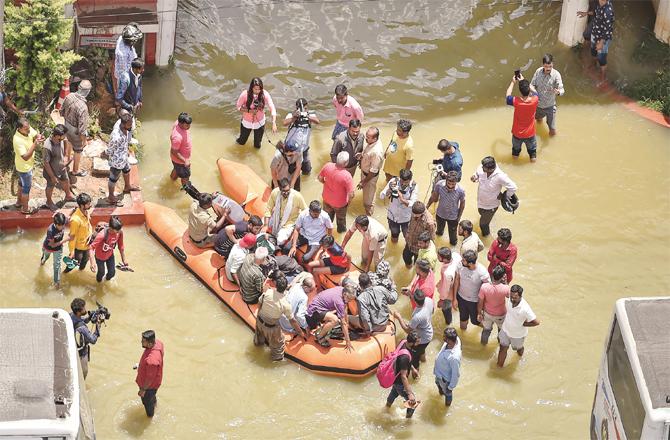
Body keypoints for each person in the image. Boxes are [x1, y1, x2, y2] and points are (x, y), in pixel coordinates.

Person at [255, 274, 307, 361]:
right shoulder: (285, 304)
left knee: (259, 339)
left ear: (275, 285)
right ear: (286, 287)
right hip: (271, 327)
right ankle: (276, 362)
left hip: (260, 320)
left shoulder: (268, 292)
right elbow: (292, 321)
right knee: (278, 347)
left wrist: (258, 315)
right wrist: (301, 333)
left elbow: (259, 303)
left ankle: (258, 347)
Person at [470, 156, 517, 237]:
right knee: (481, 214)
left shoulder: (500, 176)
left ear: (490, 169)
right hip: (480, 201)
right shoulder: (481, 168)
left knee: (483, 225)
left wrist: (504, 196)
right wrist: (475, 177)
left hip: (492, 205)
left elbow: (513, 187)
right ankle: (490, 220)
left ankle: (486, 238)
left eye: (483, 167)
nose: (481, 168)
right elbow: (477, 174)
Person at [497, 285, 540, 367]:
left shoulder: (525, 308)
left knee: (518, 349)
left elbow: (536, 322)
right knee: (502, 348)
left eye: (515, 297)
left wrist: (524, 324)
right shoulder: (510, 299)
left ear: (520, 296)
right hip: (505, 330)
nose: (512, 299)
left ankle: (520, 356)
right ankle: (499, 368)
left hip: (518, 335)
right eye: (511, 296)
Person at [305, 284, 356, 349]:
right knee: (335, 319)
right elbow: (343, 323)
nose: (350, 301)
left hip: (319, 305)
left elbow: (345, 309)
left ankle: (324, 328)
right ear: (345, 294)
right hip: (314, 311)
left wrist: (347, 324)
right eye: (349, 299)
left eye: (351, 300)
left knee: (338, 319)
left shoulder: (342, 289)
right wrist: (348, 341)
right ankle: (319, 337)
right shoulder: (339, 301)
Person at [393, 289, 434, 370]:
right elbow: (432, 311)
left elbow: (407, 330)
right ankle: (424, 362)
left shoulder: (417, 316)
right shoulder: (429, 300)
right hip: (429, 334)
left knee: (415, 360)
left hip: (421, 339)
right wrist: (411, 296)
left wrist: (399, 318)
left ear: (415, 300)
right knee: (421, 351)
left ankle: (416, 377)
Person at [60, 79, 91, 179]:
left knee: (68, 141)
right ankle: (75, 171)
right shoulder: (83, 107)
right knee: (78, 150)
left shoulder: (69, 96)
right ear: (87, 92)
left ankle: (67, 158)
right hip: (75, 131)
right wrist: (84, 141)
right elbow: (82, 129)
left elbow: (61, 111)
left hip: (66, 125)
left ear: (78, 88)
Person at [107, 112, 139, 206]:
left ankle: (127, 186)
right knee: (113, 178)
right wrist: (106, 155)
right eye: (129, 124)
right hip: (117, 161)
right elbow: (110, 149)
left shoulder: (126, 128)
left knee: (127, 170)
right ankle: (111, 197)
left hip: (124, 157)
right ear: (123, 123)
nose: (131, 125)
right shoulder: (116, 136)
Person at [385, 332, 420, 418]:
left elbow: (405, 362)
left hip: (395, 378)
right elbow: (403, 376)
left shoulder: (403, 342)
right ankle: (408, 420)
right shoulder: (405, 357)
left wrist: (412, 368)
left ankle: (386, 408)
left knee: (394, 393)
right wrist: (410, 394)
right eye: (417, 342)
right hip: (400, 382)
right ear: (411, 343)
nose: (418, 344)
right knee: (413, 403)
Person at [13, 118, 44, 215]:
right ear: (19, 129)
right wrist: (35, 144)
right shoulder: (17, 140)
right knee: (26, 188)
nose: (29, 130)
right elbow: (25, 157)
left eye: (28, 127)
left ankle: (18, 203)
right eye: (26, 129)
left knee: (21, 184)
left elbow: (35, 134)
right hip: (24, 167)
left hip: (24, 165)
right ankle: (25, 209)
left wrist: (39, 137)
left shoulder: (28, 129)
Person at [454, 250, 491, 330]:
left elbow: (488, 289)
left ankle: (488, 328)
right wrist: (454, 299)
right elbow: (456, 280)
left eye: (463, 260)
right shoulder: (460, 265)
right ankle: (463, 338)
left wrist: (484, 306)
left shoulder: (482, 272)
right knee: (463, 320)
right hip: (461, 298)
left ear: (470, 263)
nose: (461, 261)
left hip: (474, 302)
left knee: (475, 321)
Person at [318, 151, 355, 233]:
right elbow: (351, 194)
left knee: (327, 220)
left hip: (326, 199)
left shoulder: (327, 166)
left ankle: (326, 234)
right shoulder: (347, 176)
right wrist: (348, 202)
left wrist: (325, 184)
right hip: (340, 204)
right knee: (341, 221)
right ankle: (340, 234)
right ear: (346, 163)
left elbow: (320, 178)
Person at [579, 0, 614, 84]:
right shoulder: (599, 4)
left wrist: (601, 42)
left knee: (602, 59)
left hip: (603, 38)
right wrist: (586, 13)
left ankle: (603, 76)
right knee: (593, 52)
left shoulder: (608, 10)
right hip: (595, 33)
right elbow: (596, 12)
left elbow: (608, 29)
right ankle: (594, 65)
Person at [235, 77, 277, 149]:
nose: (257, 91)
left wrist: (274, 123)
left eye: (259, 89)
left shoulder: (265, 94)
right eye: (255, 89)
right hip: (246, 122)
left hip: (259, 123)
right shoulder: (245, 94)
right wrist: (250, 111)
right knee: (242, 141)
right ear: (251, 88)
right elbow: (238, 107)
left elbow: (272, 107)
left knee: (257, 145)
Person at [264, 178, 307, 247]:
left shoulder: (297, 196)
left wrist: (297, 229)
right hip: (276, 217)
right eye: (284, 191)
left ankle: (273, 244)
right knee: (261, 225)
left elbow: (305, 212)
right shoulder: (275, 192)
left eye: (288, 190)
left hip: (289, 223)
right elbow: (268, 208)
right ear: (279, 189)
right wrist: (266, 225)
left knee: (280, 240)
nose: (286, 193)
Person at [379, 168, 417, 244]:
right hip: (393, 216)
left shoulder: (413, 186)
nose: (403, 183)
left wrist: (401, 197)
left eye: (405, 182)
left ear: (410, 180)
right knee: (394, 236)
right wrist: (389, 189)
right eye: (401, 181)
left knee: (408, 238)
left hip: (406, 218)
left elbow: (413, 203)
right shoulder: (393, 182)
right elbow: (381, 196)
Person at [428, 170, 465, 246]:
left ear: (456, 182)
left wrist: (459, 217)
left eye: (453, 184)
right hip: (440, 214)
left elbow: (462, 204)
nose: (450, 186)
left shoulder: (461, 190)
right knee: (439, 232)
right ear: (446, 180)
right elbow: (434, 197)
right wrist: (426, 207)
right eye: (449, 183)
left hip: (453, 217)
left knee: (453, 239)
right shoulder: (439, 185)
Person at [506, 76, 539, 162]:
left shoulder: (516, 101)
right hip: (530, 134)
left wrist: (513, 82)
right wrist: (523, 80)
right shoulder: (535, 100)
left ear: (520, 91)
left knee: (515, 153)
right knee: (533, 155)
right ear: (528, 89)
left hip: (517, 134)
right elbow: (535, 91)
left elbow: (508, 95)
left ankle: (514, 166)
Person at [530, 54, 565, 136]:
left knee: (552, 130)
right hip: (538, 105)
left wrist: (558, 92)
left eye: (550, 66)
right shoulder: (538, 71)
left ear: (553, 64)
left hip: (550, 107)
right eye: (546, 66)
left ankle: (553, 144)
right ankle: (540, 126)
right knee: (538, 120)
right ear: (542, 65)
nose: (548, 68)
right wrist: (533, 92)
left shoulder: (556, 75)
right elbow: (532, 85)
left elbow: (562, 89)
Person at [283, 98, 320, 175]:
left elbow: (317, 121)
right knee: (290, 171)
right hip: (292, 149)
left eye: (306, 108)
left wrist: (307, 116)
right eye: (302, 109)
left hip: (304, 149)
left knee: (307, 170)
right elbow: (284, 123)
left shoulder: (310, 115)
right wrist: (294, 117)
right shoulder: (291, 115)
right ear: (297, 108)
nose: (304, 110)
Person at [42, 124, 75, 210]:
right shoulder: (47, 146)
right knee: (50, 186)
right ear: (56, 136)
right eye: (63, 136)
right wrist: (52, 176)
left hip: (61, 167)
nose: (64, 137)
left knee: (66, 180)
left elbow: (66, 141)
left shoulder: (61, 139)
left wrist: (66, 156)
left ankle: (68, 195)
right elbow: (46, 163)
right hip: (51, 171)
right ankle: (49, 202)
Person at [89, 215, 128, 283]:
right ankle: (98, 284)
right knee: (101, 273)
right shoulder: (102, 235)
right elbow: (91, 248)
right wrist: (92, 262)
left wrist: (124, 260)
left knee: (112, 273)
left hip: (110, 256)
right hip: (99, 257)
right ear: (111, 228)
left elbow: (120, 246)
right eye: (117, 231)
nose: (119, 232)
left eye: (119, 230)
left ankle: (106, 282)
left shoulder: (119, 232)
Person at [70, 298, 102, 379]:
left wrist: (90, 317)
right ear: (78, 312)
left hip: (73, 348)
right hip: (81, 354)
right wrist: (98, 325)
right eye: (84, 308)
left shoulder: (70, 315)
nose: (85, 309)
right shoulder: (82, 328)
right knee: (83, 373)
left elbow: (81, 320)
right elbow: (93, 340)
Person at [478, 265, 510, 345]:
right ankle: (499, 345)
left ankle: (483, 346)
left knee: (486, 331)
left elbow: (480, 302)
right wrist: (505, 282)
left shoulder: (484, 287)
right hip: (500, 315)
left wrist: (479, 313)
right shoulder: (505, 288)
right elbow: (509, 296)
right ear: (502, 276)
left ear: (492, 274)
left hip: (487, 314)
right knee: (501, 331)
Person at [136, 330, 164, 417]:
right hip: (154, 382)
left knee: (148, 404)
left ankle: (150, 417)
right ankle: (154, 403)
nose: (141, 342)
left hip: (148, 388)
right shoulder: (159, 343)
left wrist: (143, 390)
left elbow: (150, 379)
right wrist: (141, 366)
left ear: (150, 343)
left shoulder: (152, 361)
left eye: (143, 341)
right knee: (152, 398)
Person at [358, 127, 384, 215]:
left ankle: (369, 217)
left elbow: (373, 171)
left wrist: (363, 182)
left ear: (375, 138)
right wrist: (362, 156)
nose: (366, 138)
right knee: (369, 194)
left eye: (368, 137)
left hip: (369, 177)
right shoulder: (372, 141)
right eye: (366, 135)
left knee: (368, 202)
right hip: (365, 173)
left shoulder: (376, 153)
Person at [65, 193, 93, 273]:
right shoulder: (75, 220)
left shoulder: (85, 212)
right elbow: (72, 237)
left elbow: (88, 224)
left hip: (87, 245)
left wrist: (90, 234)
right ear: (81, 205)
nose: (90, 205)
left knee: (84, 262)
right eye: (88, 204)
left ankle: (80, 273)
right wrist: (72, 251)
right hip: (78, 248)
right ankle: (64, 274)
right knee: (72, 265)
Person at [433, 327, 461, 407]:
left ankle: (447, 406)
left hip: (445, 380)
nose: (443, 337)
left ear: (449, 340)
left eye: (444, 337)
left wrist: (450, 387)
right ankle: (441, 394)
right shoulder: (456, 340)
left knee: (448, 393)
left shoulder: (454, 357)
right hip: (439, 374)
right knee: (439, 386)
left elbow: (456, 374)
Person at [403, 201, 436, 268]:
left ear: (422, 213)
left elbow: (431, 237)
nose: (414, 215)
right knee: (405, 257)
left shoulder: (429, 222)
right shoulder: (414, 211)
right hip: (409, 242)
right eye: (413, 214)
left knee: (417, 265)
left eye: (416, 215)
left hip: (419, 248)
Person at [40, 213, 70, 288]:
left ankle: (57, 282)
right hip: (48, 247)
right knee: (46, 258)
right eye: (60, 226)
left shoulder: (62, 221)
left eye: (63, 225)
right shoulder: (50, 231)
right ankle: (43, 261)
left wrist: (73, 211)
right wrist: (66, 239)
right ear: (55, 224)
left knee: (57, 265)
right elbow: (52, 245)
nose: (63, 227)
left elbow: (68, 217)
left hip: (58, 249)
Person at [436, 247, 461, 326]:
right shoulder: (456, 255)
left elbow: (445, 289)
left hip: (449, 293)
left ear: (445, 260)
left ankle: (448, 323)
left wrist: (441, 300)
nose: (437, 257)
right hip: (458, 286)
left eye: (439, 256)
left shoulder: (447, 274)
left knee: (445, 309)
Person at [114, 23, 141, 93]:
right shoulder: (122, 54)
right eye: (134, 40)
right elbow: (124, 72)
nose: (136, 41)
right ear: (130, 41)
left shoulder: (122, 38)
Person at [169, 112, 192, 185]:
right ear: (181, 123)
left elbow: (170, 137)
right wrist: (185, 160)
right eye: (187, 125)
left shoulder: (177, 123)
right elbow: (174, 151)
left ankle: (171, 182)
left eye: (189, 124)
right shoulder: (177, 137)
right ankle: (185, 190)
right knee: (186, 177)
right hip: (180, 161)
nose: (189, 126)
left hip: (177, 161)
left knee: (176, 169)